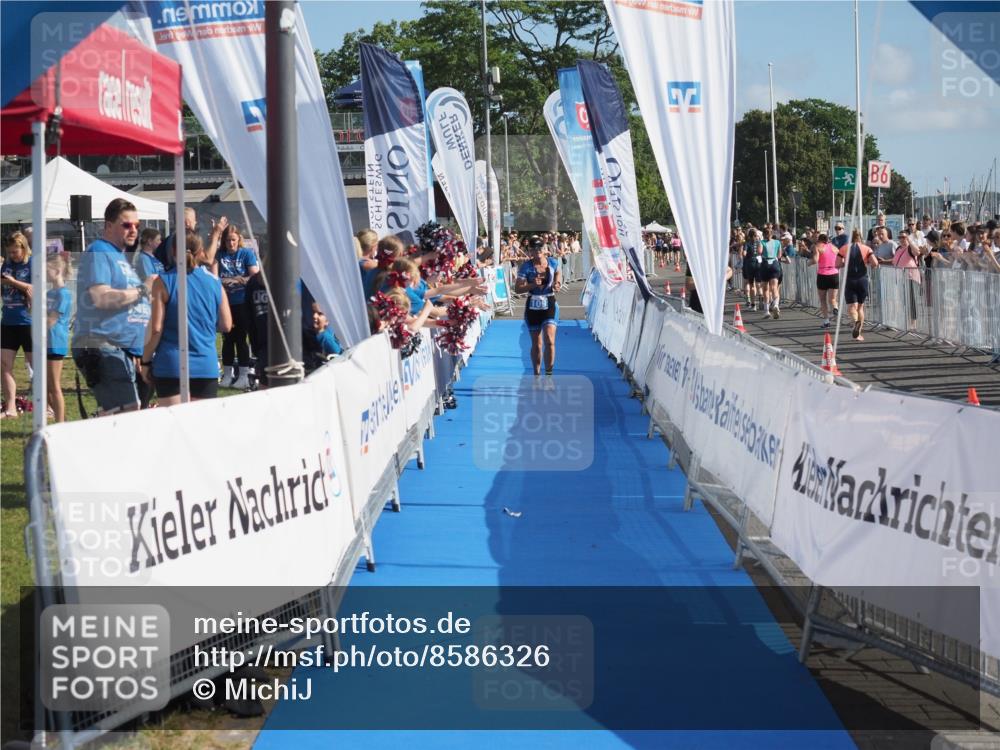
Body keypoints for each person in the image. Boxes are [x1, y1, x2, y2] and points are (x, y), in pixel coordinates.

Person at [72, 198, 153, 415]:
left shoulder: (120, 257)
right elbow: (102, 297)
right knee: (126, 412)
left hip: (123, 349)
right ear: (108, 226)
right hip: (101, 343)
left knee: (129, 412)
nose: (133, 230)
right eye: (126, 225)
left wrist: (136, 349)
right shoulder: (99, 250)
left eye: (137, 225)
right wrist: (143, 290)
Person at [140, 231, 232, 406]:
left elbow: (156, 329)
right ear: (201, 252)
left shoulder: (163, 281)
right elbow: (226, 325)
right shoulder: (214, 282)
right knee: (201, 429)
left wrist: (145, 361)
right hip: (206, 364)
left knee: (174, 428)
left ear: (173, 252)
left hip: (171, 365)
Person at [214, 224, 259, 389]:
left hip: (241, 302)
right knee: (227, 338)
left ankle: (244, 375)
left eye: (233, 240)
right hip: (225, 302)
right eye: (227, 240)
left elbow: (254, 276)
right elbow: (215, 278)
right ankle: (227, 374)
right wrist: (238, 279)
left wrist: (235, 280)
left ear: (239, 239)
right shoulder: (219, 255)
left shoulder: (246, 253)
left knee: (241, 338)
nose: (231, 243)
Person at [514, 235, 561, 376]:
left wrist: (557, 283)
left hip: (549, 303)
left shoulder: (552, 262)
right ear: (529, 251)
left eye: (539, 247)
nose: (537, 251)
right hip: (533, 305)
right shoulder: (526, 267)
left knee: (550, 340)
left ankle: (549, 374)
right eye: (533, 249)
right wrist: (532, 284)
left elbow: (558, 273)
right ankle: (536, 375)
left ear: (544, 249)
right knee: (537, 344)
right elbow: (517, 289)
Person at [1, 231, 33, 418]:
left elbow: (34, 288)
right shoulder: (6, 264)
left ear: (23, 248)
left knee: (36, 366)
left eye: (15, 252)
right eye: (10, 252)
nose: (12, 255)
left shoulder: (31, 264)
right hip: (8, 321)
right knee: (4, 365)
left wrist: (13, 282)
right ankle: (10, 408)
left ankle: (48, 406)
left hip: (28, 322)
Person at [836, 228, 879, 341]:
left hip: (849, 279)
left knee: (851, 307)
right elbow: (875, 263)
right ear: (861, 237)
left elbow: (837, 264)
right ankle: (859, 334)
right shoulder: (867, 248)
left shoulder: (844, 248)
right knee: (860, 307)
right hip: (862, 279)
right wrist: (866, 262)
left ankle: (856, 322)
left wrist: (845, 262)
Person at [46, 252, 73, 422]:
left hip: (56, 342)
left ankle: (61, 423)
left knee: (54, 386)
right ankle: (59, 417)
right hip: (46, 342)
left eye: (47, 269)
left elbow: (51, 320)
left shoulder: (64, 294)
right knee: (47, 386)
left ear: (56, 271)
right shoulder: (49, 293)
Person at [891, 231, 922, 330]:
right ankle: (907, 321)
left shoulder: (910, 248)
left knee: (912, 300)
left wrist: (910, 241)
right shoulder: (898, 248)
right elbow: (894, 261)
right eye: (900, 237)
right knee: (903, 300)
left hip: (911, 277)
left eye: (904, 237)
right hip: (901, 278)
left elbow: (917, 252)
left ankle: (913, 323)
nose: (901, 239)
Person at [809, 233, 839, 328]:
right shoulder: (834, 248)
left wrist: (808, 263)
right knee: (833, 299)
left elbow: (815, 260)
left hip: (823, 274)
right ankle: (835, 307)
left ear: (819, 240)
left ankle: (826, 321)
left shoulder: (817, 247)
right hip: (834, 274)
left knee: (822, 299)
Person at [759, 228, 782, 318]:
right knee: (774, 287)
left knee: (765, 289)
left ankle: (766, 311)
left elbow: (759, 252)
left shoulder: (762, 242)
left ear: (764, 235)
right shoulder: (777, 242)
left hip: (765, 264)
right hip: (775, 264)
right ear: (772, 234)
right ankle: (776, 305)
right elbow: (779, 255)